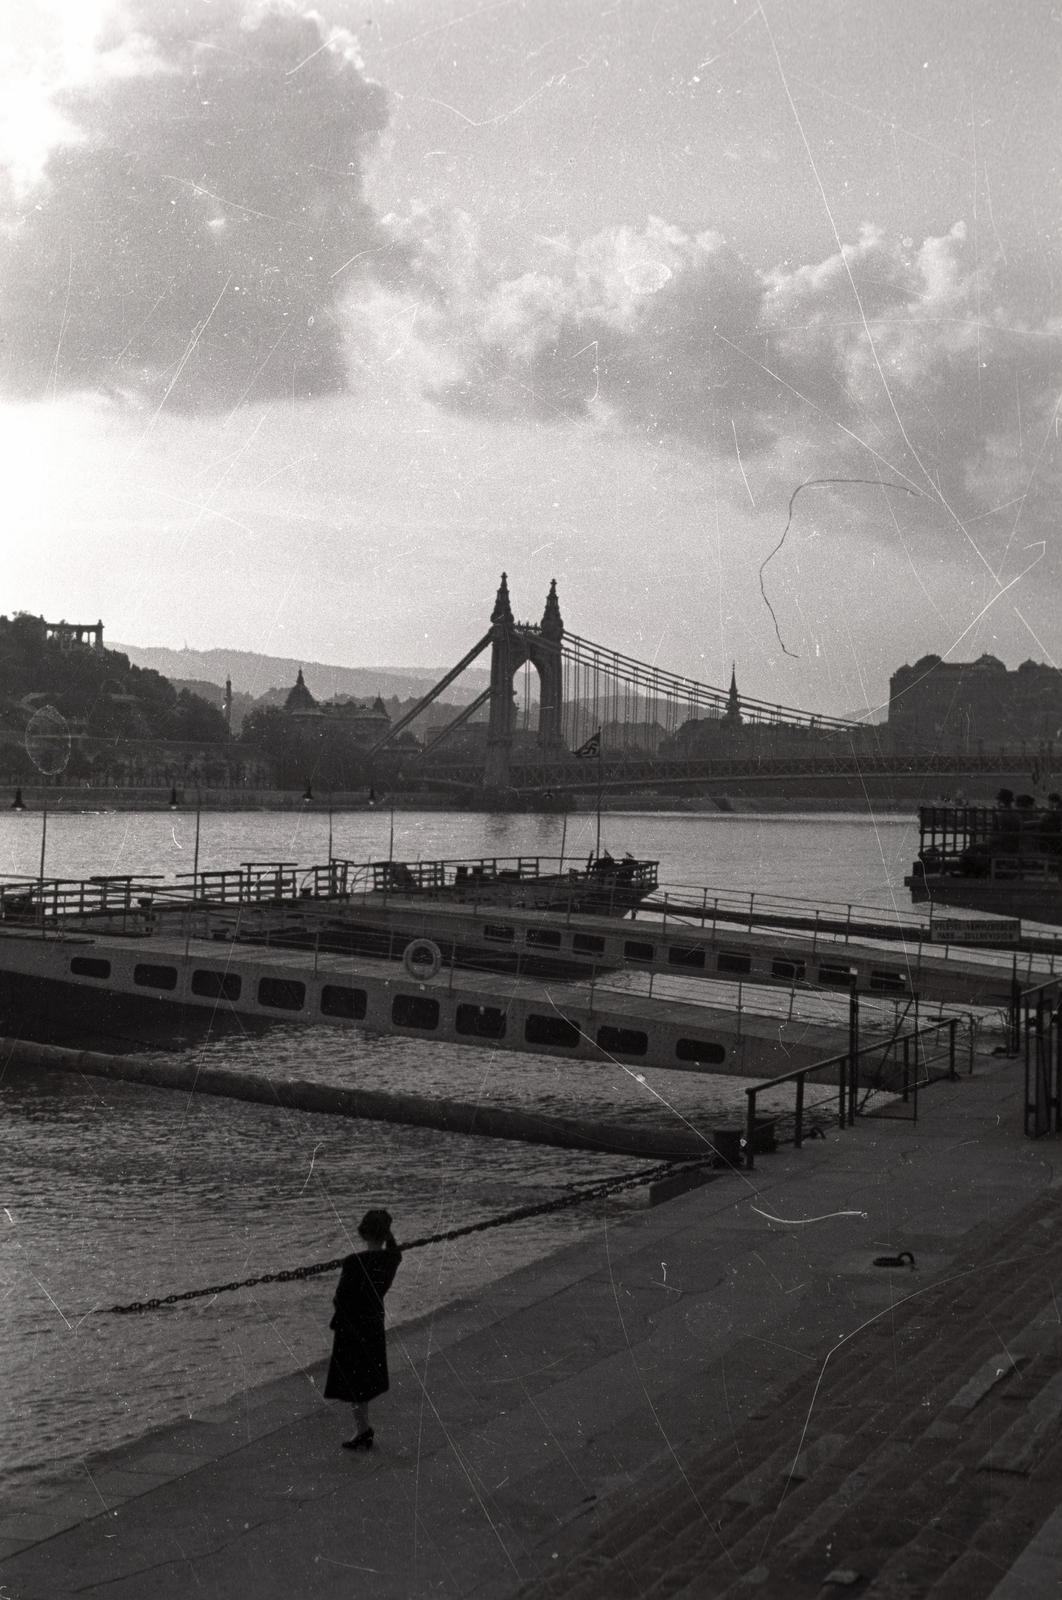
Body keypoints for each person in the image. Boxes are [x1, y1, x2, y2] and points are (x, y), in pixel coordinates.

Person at [324, 1208, 402, 1451]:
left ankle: (362, 1430)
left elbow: (341, 1297)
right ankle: (362, 1430)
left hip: (352, 1325)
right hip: (373, 1321)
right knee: (365, 1379)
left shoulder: (353, 1262)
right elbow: (394, 1248)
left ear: (363, 1234)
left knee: (354, 1382)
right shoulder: (392, 1259)